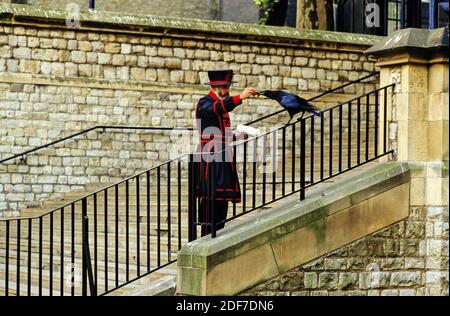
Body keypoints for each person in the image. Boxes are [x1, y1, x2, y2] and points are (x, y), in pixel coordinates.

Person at [194, 69, 259, 236]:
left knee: (222, 205)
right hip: (211, 159)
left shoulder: (218, 106)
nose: (228, 90)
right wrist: (240, 97)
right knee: (211, 205)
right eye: (226, 87)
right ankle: (206, 241)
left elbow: (222, 134)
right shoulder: (205, 102)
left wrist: (241, 134)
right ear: (217, 87)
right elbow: (217, 107)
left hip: (222, 158)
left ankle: (216, 238)